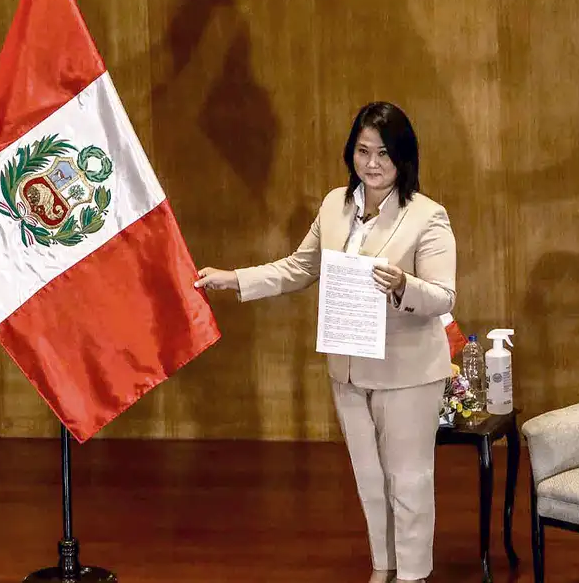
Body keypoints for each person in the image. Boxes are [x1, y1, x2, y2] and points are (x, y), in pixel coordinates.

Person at [195, 101, 456, 583]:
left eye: (383, 153)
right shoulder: (336, 205)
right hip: (348, 367)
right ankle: (385, 566)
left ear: (404, 158)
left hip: (408, 372)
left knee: (409, 480)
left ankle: (414, 575)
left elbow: (443, 296)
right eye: (362, 151)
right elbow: (301, 267)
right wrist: (235, 279)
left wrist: (402, 284)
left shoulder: (427, 216)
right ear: (350, 152)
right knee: (371, 481)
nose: (372, 164)